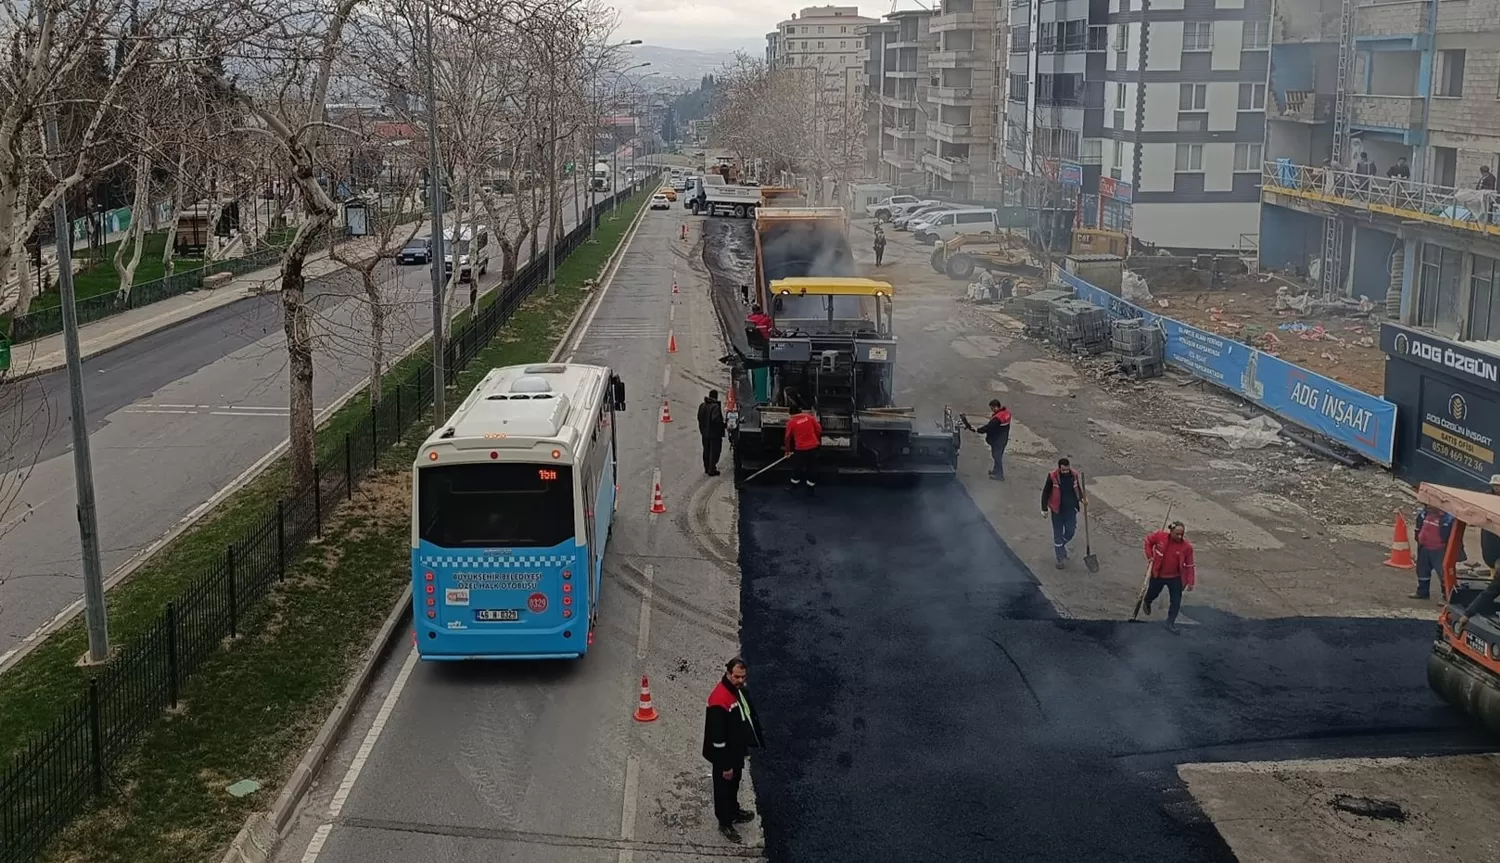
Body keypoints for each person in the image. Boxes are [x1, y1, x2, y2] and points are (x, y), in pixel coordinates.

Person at [703, 657, 764, 843]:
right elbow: (718, 739)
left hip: (735, 751)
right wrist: (725, 765)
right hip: (725, 757)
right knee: (723, 789)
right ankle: (725, 822)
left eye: (743, 677)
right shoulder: (719, 700)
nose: (740, 680)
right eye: (737, 677)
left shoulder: (736, 691)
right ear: (728, 673)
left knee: (734, 784)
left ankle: (734, 811)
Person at [1142, 521, 1196, 633]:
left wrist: (1190, 582)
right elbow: (1148, 542)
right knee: (1153, 593)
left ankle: (1170, 623)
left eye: (1182, 534)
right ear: (1171, 531)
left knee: (1176, 601)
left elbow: (1190, 565)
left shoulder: (1187, 547)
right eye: (1177, 534)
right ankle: (1147, 601)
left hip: (1175, 577)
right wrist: (1150, 556)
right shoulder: (1160, 537)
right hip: (1158, 574)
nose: (1180, 536)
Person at [1041, 458, 1085, 568]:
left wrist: (1082, 498)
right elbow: (1046, 492)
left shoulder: (1074, 475)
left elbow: (1077, 488)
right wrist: (1044, 509)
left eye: (1067, 469)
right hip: (1057, 510)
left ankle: (1061, 546)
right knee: (1058, 534)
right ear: (1059, 468)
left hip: (1070, 509)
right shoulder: (1052, 477)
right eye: (1063, 470)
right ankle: (1060, 559)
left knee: (1070, 531)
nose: (1065, 472)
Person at [1411, 504, 1457, 600]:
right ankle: (1422, 592)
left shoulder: (1448, 518)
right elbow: (1418, 525)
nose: (1427, 506)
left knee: (1443, 574)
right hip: (1424, 547)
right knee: (1422, 570)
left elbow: (1453, 535)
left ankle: (1447, 598)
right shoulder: (1424, 514)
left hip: (1439, 550)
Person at [784, 404, 823, 494]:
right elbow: (819, 429)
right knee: (812, 468)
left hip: (800, 449)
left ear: (791, 414)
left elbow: (787, 438)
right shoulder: (810, 417)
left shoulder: (791, 422)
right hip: (813, 447)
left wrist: (787, 451)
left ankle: (794, 486)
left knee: (797, 468)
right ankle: (810, 489)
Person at [973, 399, 1011, 480]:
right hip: (1003, 439)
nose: (992, 410)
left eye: (992, 408)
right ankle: (995, 470)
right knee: (997, 456)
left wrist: (978, 430)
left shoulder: (997, 418)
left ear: (996, 407)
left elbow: (989, 427)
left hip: (998, 441)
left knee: (997, 456)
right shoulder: (1006, 413)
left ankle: (999, 475)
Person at [698, 389, 727, 476]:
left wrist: (703, 428)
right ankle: (712, 469)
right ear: (716, 396)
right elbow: (715, 419)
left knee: (706, 451)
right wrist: (723, 425)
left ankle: (706, 468)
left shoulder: (702, 405)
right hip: (714, 434)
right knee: (714, 451)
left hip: (704, 433)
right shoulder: (715, 407)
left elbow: (699, 417)